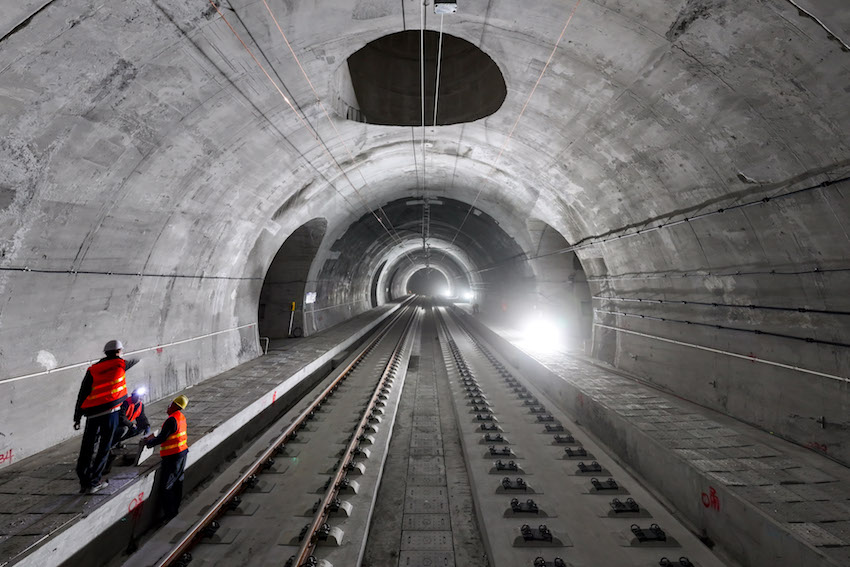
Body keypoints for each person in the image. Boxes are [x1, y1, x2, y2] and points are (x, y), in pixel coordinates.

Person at [74, 339, 139, 494]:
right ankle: (94, 482)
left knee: (87, 448)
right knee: (104, 448)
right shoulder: (121, 364)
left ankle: (84, 482)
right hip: (111, 413)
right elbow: (138, 358)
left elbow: (82, 393)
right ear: (119, 352)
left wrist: (77, 417)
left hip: (92, 414)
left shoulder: (93, 369)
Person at [144, 395, 189, 520]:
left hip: (173, 457)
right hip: (182, 453)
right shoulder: (181, 417)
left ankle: (170, 515)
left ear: (175, 405)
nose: (168, 406)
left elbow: (163, 437)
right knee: (177, 483)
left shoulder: (171, 420)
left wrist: (149, 443)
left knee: (166, 487)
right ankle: (175, 510)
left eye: (171, 404)